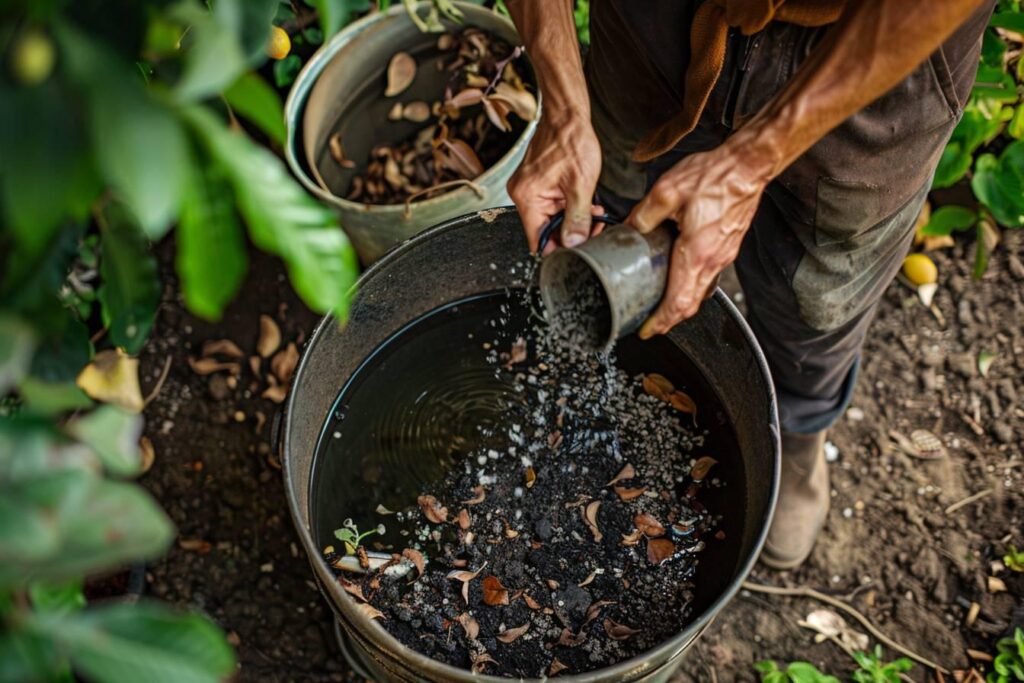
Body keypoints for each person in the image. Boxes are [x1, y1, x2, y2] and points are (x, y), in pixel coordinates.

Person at [504, 0, 993, 569]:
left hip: (876, 54)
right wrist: (563, 100)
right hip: (658, 28)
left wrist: (750, 163)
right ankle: (610, 378)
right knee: (618, 206)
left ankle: (797, 431)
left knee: (819, 293)